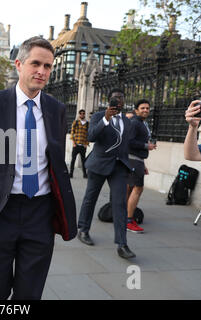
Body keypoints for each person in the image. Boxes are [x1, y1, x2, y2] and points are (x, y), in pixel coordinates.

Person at [0, 36, 77, 300]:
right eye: (36, 64)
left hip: (40, 214)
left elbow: (55, 164)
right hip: (0, 212)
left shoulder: (56, 109)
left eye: (47, 66)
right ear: (19, 65)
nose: (42, 71)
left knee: (30, 293)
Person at [77, 88, 136, 259]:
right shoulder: (98, 116)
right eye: (115, 98)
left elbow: (126, 145)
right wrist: (106, 119)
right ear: (109, 100)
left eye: (121, 97)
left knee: (119, 203)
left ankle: (122, 244)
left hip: (119, 166)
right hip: (99, 163)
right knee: (90, 198)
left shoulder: (127, 121)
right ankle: (83, 230)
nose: (118, 100)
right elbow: (91, 137)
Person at [127, 99, 157, 233]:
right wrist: (147, 146)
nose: (145, 110)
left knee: (130, 188)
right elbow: (129, 142)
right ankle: (128, 220)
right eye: (142, 108)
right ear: (136, 110)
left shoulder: (141, 123)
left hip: (137, 160)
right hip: (133, 160)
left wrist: (143, 163)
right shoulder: (135, 123)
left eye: (147, 108)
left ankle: (125, 216)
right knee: (138, 189)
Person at [69, 109, 89, 179]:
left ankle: (85, 174)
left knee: (84, 161)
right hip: (76, 145)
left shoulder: (87, 123)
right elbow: (72, 133)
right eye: (81, 113)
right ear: (79, 114)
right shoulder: (76, 122)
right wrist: (73, 143)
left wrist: (86, 144)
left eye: (83, 113)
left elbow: (88, 134)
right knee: (73, 160)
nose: (82, 115)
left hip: (83, 146)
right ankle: (71, 173)